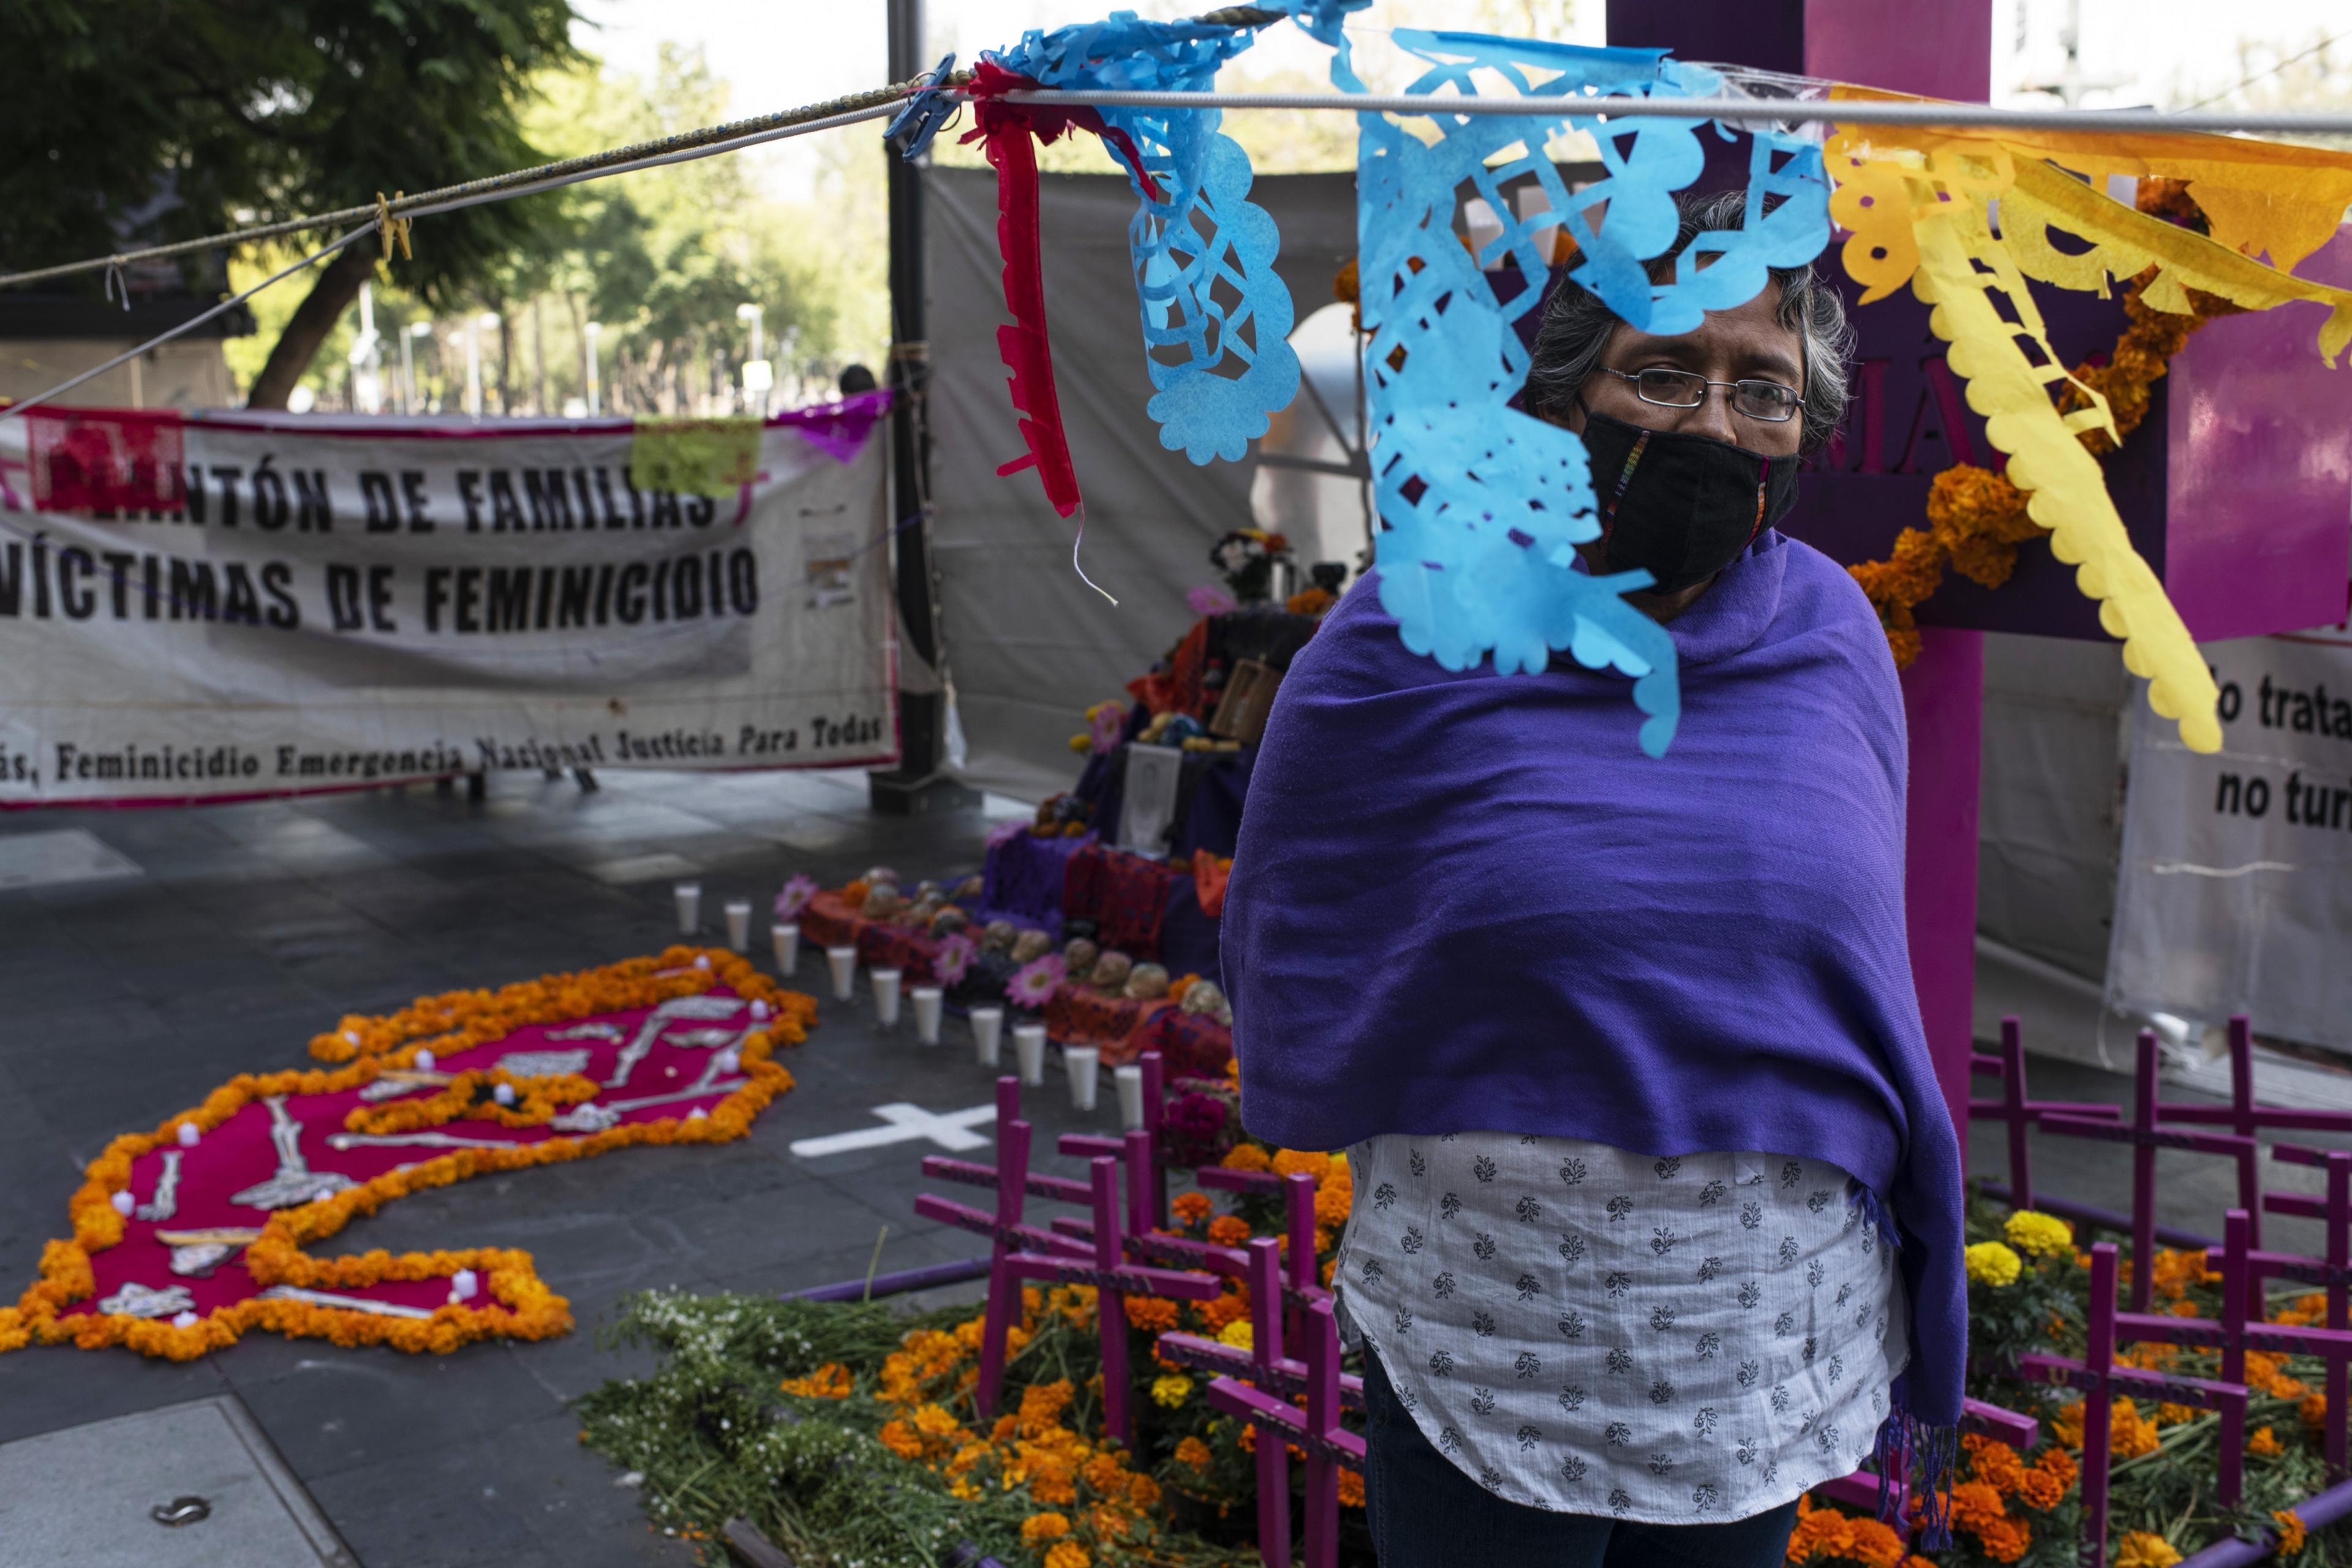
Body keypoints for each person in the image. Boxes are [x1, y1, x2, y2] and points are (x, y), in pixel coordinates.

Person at [1221, 191, 1966, 1567]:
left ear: (1802, 434)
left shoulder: (1834, 636)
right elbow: (1296, 914)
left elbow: (1853, 957)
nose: (1709, 423)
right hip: (1488, 1324)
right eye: (1664, 374)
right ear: (1569, 402)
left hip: (1754, 1333)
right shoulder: (1415, 626)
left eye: (1763, 389)